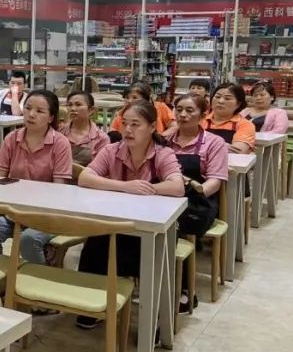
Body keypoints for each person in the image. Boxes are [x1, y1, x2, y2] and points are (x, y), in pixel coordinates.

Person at [77, 101, 184, 328]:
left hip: (150, 227)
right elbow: (85, 178)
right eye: (125, 124)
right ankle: (91, 305)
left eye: (136, 125)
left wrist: (149, 188)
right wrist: (125, 186)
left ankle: (153, 320)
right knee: (94, 245)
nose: (128, 130)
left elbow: (177, 187)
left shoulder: (163, 154)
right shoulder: (112, 150)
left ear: (153, 127)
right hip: (115, 222)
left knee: (148, 257)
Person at [0, 90, 72, 264]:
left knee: (28, 240)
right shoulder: (11, 139)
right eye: (28, 108)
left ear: (51, 117)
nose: (31, 114)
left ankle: (37, 282)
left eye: (40, 111)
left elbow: (59, 189)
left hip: (47, 214)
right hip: (15, 211)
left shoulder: (60, 143)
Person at [167, 93, 229, 313]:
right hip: (165, 197)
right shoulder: (165, 139)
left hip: (198, 203)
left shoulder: (214, 143)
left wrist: (196, 187)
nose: (182, 115)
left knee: (173, 227)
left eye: (189, 110)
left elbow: (216, 181)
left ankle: (183, 290)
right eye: (179, 109)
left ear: (204, 115)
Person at [202, 82, 255, 153]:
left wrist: (202, 144)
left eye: (227, 98)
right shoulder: (199, 120)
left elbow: (237, 151)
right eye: (217, 97)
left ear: (238, 104)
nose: (220, 101)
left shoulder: (245, 125)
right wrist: (221, 145)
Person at [60, 90, 109, 166]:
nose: (73, 108)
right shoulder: (59, 132)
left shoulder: (101, 138)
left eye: (78, 105)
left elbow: (102, 167)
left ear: (91, 110)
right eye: (69, 105)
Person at [109, 81, 173, 138]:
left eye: (135, 97)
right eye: (127, 97)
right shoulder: (121, 114)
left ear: (146, 100)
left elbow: (174, 126)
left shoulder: (160, 107)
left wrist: (161, 138)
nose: (129, 101)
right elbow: (113, 133)